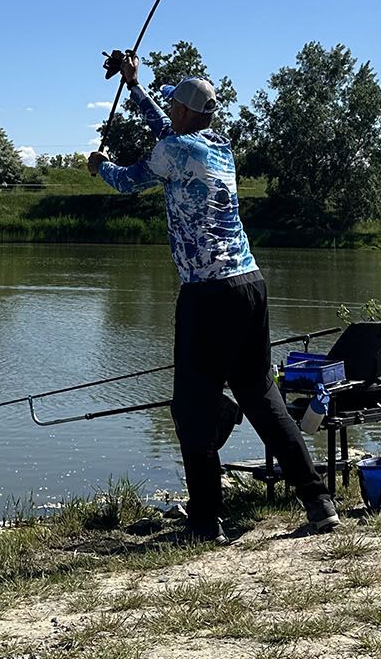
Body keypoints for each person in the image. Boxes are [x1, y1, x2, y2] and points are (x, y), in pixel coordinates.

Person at [89, 49, 340, 542]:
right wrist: (134, 85)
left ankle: (206, 520)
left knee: (190, 408)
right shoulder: (217, 146)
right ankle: (318, 501)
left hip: (207, 294)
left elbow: (127, 181)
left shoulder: (174, 152)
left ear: (186, 112)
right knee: (263, 396)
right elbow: (167, 130)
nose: (169, 113)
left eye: (172, 106)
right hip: (250, 285)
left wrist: (100, 166)